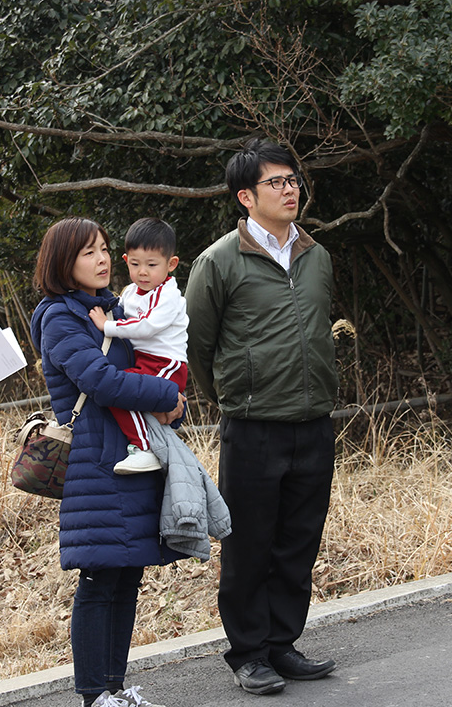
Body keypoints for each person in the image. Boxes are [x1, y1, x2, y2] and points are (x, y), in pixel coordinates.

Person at [186, 138, 339, 695]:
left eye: (293, 179)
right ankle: (249, 652)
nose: (289, 188)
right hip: (252, 425)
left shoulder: (316, 255)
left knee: (300, 538)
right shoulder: (219, 261)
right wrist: (233, 397)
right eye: (276, 182)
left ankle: (283, 643)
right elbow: (197, 347)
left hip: (313, 419)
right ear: (245, 197)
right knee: (249, 542)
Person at [30, 216, 186, 707]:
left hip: (132, 457)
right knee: (99, 578)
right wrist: (168, 394)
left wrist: (169, 400)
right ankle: (94, 694)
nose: (102, 260)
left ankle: (116, 688)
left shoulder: (111, 310)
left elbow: (148, 362)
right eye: (88, 253)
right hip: (97, 465)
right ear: (63, 262)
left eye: (103, 249)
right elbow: (100, 382)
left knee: (127, 574)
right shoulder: (59, 316)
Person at [88, 217, 189, 475]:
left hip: (167, 364)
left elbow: (146, 326)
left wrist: (105, 326)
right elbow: (123, 313)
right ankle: (145, 446)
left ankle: (144, 448)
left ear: (171, 264)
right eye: (135, 264)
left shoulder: (169, 296)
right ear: (125, 260)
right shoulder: (131, 292)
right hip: (144, 360)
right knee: (122, 393)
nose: (143, 272)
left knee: (123, 391)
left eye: (152, 265)